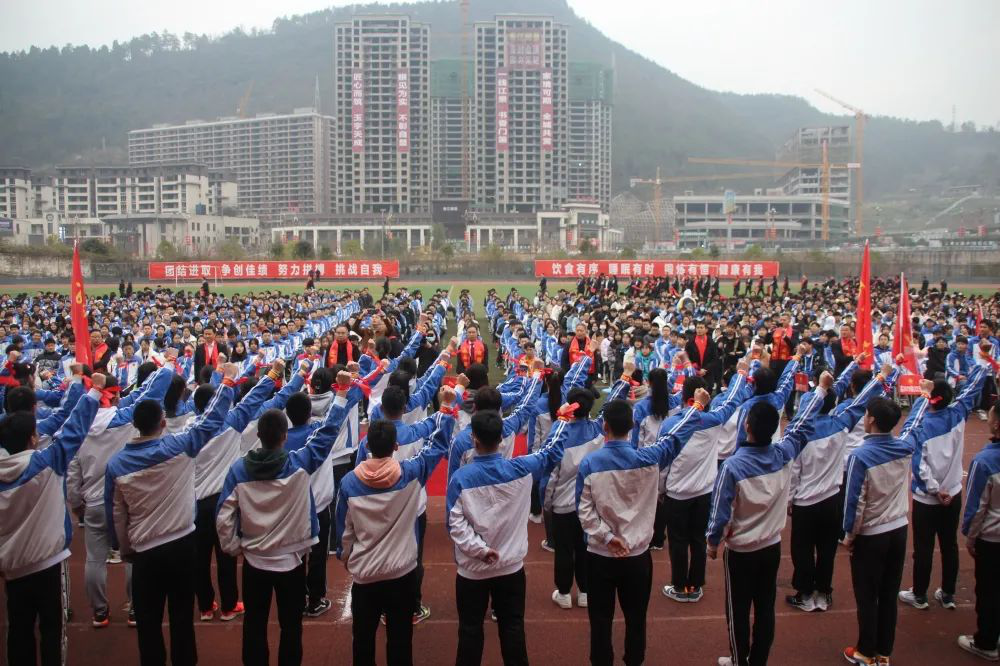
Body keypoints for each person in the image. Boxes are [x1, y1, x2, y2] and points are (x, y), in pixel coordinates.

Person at [215, 368, 362, 666]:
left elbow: (223, 517)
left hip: (254, 561)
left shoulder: (238, 471)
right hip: (291, 561)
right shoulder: (299, 464)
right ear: (284, 437)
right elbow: (329, 431)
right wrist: (343, 393)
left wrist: (233, 547)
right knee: (290, 627)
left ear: (259, 436)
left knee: (254, 626)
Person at [105, 365, 237, 666]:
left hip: (144, 552)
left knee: (149, 625)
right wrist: (227, 382)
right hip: (180, 545)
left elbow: (116, 514)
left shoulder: (116, 465)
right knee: (181, 619)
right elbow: (211, 421)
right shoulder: (180, 446)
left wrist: (123, 548)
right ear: (163, 423)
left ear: (134, 425)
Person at [707, 371, 834, 666]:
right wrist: (821, 392)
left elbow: (720, 512)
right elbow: (801, 426)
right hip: (771, 546)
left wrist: (712, 542)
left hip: (741, 552)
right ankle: (758, 660)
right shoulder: (783, 453)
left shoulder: (733, 467)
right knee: (765, 608)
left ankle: (740, 660)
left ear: (747, 426)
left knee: (738, 610)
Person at [577, 393, 705, 666]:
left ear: (604, 427)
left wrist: (608, 538)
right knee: (636, 619)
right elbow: (676, 437)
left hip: (601, 555)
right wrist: (696, 406)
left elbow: (584, 513)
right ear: (632, 426)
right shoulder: (651, 458)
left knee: (600, 621)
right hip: (636, 557)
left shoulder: (590, 463)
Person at [335, 387, 458, 666]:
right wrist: (448, 408)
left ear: (367, 447)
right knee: (400, 641)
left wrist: (347, 558)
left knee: (363, 640)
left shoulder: (349, 484)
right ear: (395, 447)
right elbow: (438, 445)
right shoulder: (411, 473)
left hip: (365, 575)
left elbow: (343, 533)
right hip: (402, 572)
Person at [446, 399, 573, 666]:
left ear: (474, 440)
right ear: (501, 440)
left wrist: (480, 551)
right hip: (510, 568)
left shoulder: (461, 478)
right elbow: (551, 451)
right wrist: (561, 421)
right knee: (512, 630)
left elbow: (454, 524)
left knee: (470, 631)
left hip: (472, 570)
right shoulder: (521, 469)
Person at [0, 375, 103, 666]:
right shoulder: (47, 463)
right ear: (33, 438)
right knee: (52, 629)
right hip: (47, 563)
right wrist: (94, 390)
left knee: (18, 629)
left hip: (13, 568)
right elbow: (74, 429)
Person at [841, 393, 932, 666]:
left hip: (872, 534)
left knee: (868, 596)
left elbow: (855, 502)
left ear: (872, 420)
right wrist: (925, 397)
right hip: (899, 530)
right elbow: (914, 424)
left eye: (867, 415)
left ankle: (865, 652)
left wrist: (849, 535)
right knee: (889, 594)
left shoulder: (860, 456)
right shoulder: (904, 446)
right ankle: (883, 652)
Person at [898, 367, 989, 610]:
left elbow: (919, 465)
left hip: (929, 499)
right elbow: (973, 386)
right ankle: (948, 593)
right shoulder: (959, 412)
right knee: (949, 545)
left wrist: (934, 489)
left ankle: (919, 594)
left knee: (924, 547)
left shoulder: (923, 425)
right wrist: (986, 362)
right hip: (954, 492)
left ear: (931, 397)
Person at [958, 402, 1000, 661]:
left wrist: (970, 538)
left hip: (991, 537)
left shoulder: (985, 461)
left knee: (988, 590)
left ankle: (986, 641)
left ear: (996, 423)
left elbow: (976, 507)